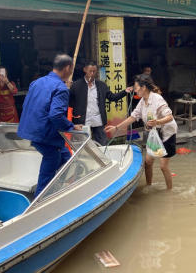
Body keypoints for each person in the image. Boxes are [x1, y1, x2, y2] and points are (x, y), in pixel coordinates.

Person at [18, 54, 82, 197]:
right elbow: (56, 115)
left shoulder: (37, 82)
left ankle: (64, 188)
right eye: (71, 69)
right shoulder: (61, 89)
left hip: (31, 131)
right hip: (46, 135)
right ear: (67, 68)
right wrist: (70, 126)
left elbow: (27, 105)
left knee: (67, 158)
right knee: (49, 166)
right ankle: (39, 201)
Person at [106, 75, 177, 190]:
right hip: (155, 134)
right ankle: (149, 186)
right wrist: (116, 128)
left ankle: (169, 191)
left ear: (143, 87)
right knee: (148, 163)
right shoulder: (142, 101)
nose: (135, 90)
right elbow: (133, 117)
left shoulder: (157, 99)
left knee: (163, 166)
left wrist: (157, 121)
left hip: (166, 134)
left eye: (136, 87)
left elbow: (169, 117)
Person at [70, 62, 131, 145]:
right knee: (82, 145)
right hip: (82, 120)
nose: (92, 73)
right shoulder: (76, 85)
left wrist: (124, 92)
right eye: (90, 71)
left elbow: (112, 97)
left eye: (94, 71)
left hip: (98, 119)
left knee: (102, 144)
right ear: (85, 70)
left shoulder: (101, 85)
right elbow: (69, 102)